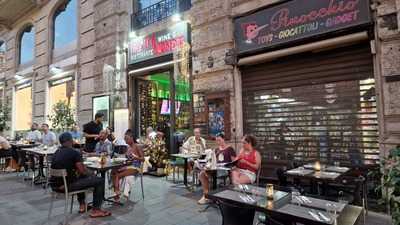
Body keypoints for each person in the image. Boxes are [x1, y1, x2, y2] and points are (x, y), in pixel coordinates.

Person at [50, 132, 111, 218]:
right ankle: (96, 210)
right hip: (66, 186)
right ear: (70, 141)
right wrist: (91, 173)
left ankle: (82, 205)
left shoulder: (56, 152)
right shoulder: (74, 152)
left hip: (55, 186)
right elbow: (83, 171)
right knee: (99, 180)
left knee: (80, 177)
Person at [198, 132, 236, 205]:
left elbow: (234, 162)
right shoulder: (216, 149)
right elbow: (213, 160)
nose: (218, 142)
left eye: (219, 140)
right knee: (202, 174)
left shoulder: (230, 149)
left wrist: (231, 169)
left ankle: (210, 196)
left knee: (205, 173)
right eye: (217, 140)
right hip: (216, 168)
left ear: (223, 139)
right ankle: (206, 195)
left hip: (225, 170)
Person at [112, 129, 144, 203]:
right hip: (128, 166)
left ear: (131, 138)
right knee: (114, 172)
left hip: (135, 167)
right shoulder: (128, 147)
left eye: (126, 139)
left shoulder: (137, 146)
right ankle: (116, 194)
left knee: (118, 175)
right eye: (125, 139)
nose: (125, 141)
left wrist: (135, 157)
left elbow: (143, 159)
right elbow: (127, 158)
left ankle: (117, 193)